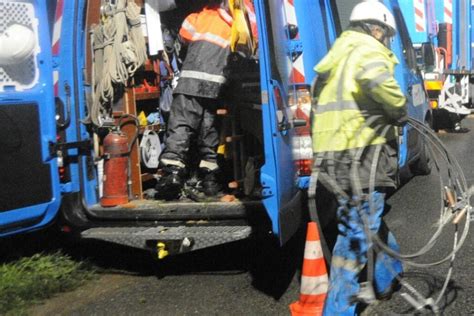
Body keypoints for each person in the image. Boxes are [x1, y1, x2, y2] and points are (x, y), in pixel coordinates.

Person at [311, 0, 406, 314]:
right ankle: (337, 309)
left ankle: (387, 276)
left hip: (333, 157)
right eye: (387, 34)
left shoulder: (334, 57)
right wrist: (398, 109)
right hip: (363, 154)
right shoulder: (366, 50)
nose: (387, 40)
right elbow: (378, 83)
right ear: (375, 28)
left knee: (365, 220)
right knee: (356, 232)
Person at [155, 0, 256, 200]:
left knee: (181, 127)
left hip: (190, 83)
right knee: (210, 133)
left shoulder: (199, 16)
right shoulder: (240, 22)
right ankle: (210, 181)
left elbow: (183, 36)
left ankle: (172, 177)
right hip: (217, 87)